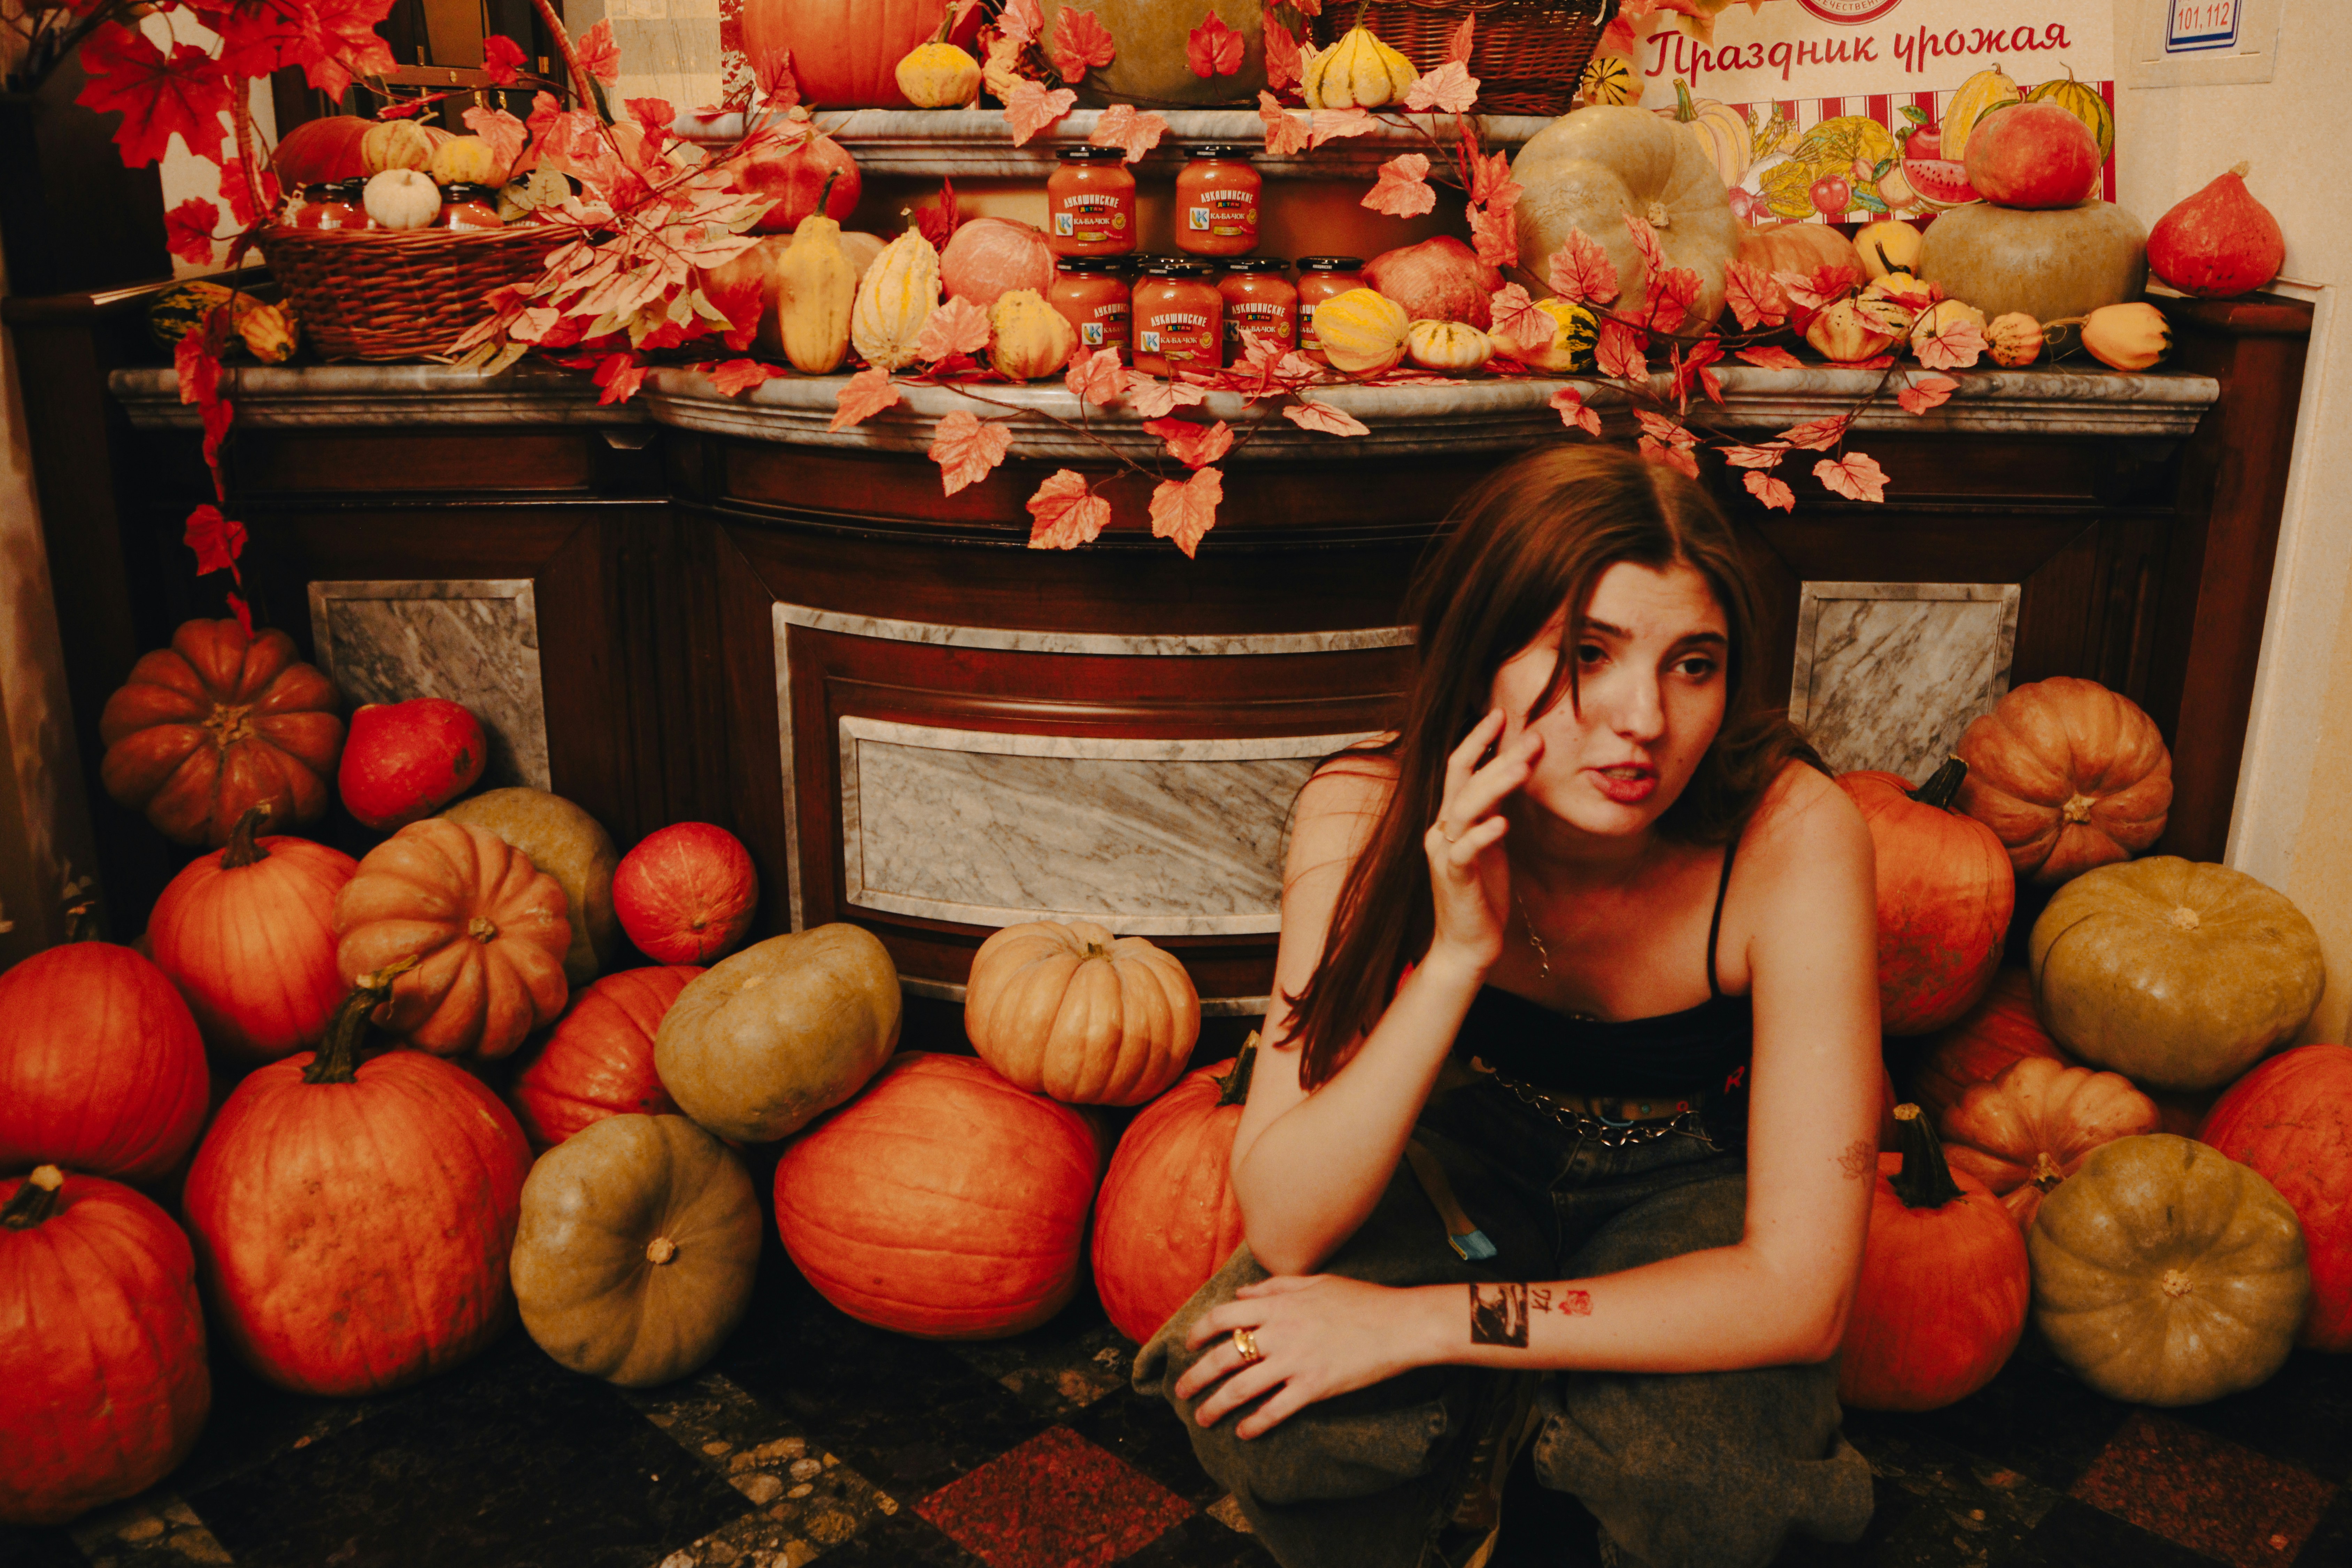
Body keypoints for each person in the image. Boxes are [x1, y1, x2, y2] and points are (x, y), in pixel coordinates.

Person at [1134, 445, 1883, 1568]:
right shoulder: (1359, 813)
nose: (1643, 719)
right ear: (1486, 657)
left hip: (1689, 1182)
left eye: (1694, 664)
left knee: (1712, 1494)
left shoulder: (1794, 835)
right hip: (1462, 1167)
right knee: (1256, 1398)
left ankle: (1527, 1477)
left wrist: (1417, 1329)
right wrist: (1455, 959)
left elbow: (1799, 1293)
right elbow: (1285, 1224)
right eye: (1588, 654)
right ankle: (1521, 1456)